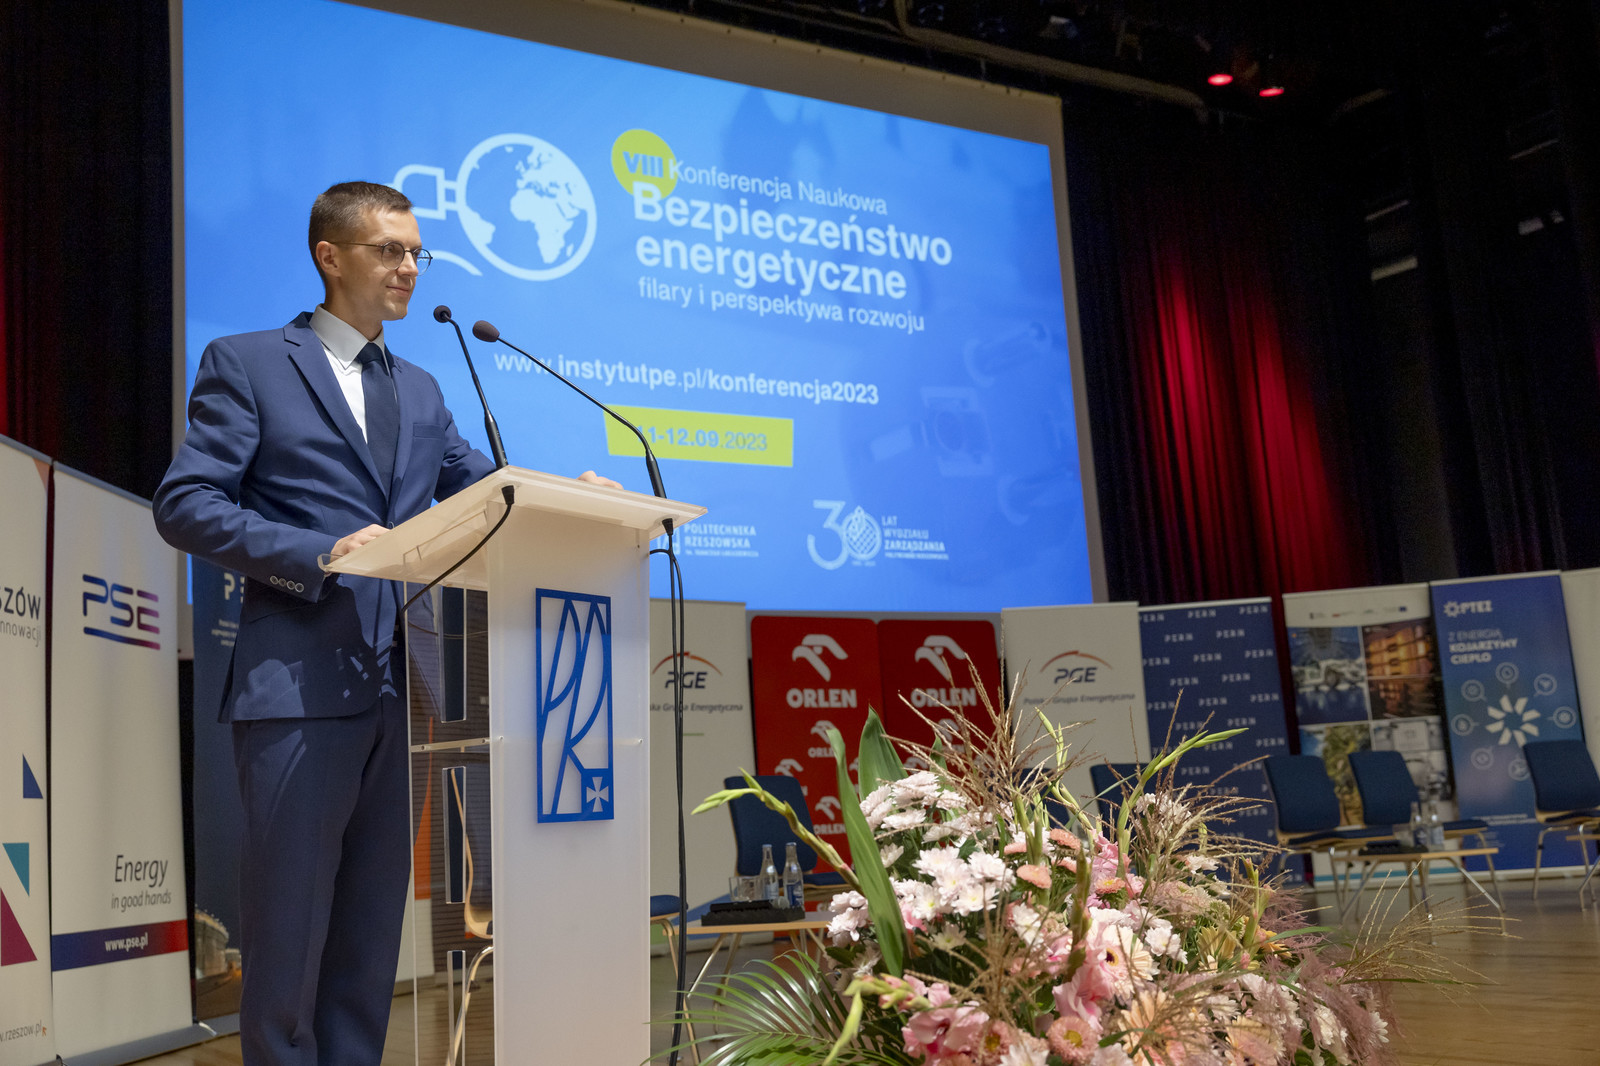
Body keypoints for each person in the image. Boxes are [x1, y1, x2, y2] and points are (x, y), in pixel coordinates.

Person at [154, 181, 615, 1065]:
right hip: (296, 682)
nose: (410, 267)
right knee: (289, 933)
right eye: (390, 250)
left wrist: (574, 497)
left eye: (417, 253)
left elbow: (488, 493)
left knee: (368, 942)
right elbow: (186, 504)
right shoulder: (249, 362)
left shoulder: (422, 388)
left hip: (403, 690)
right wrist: (319, 551)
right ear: (330, 257)